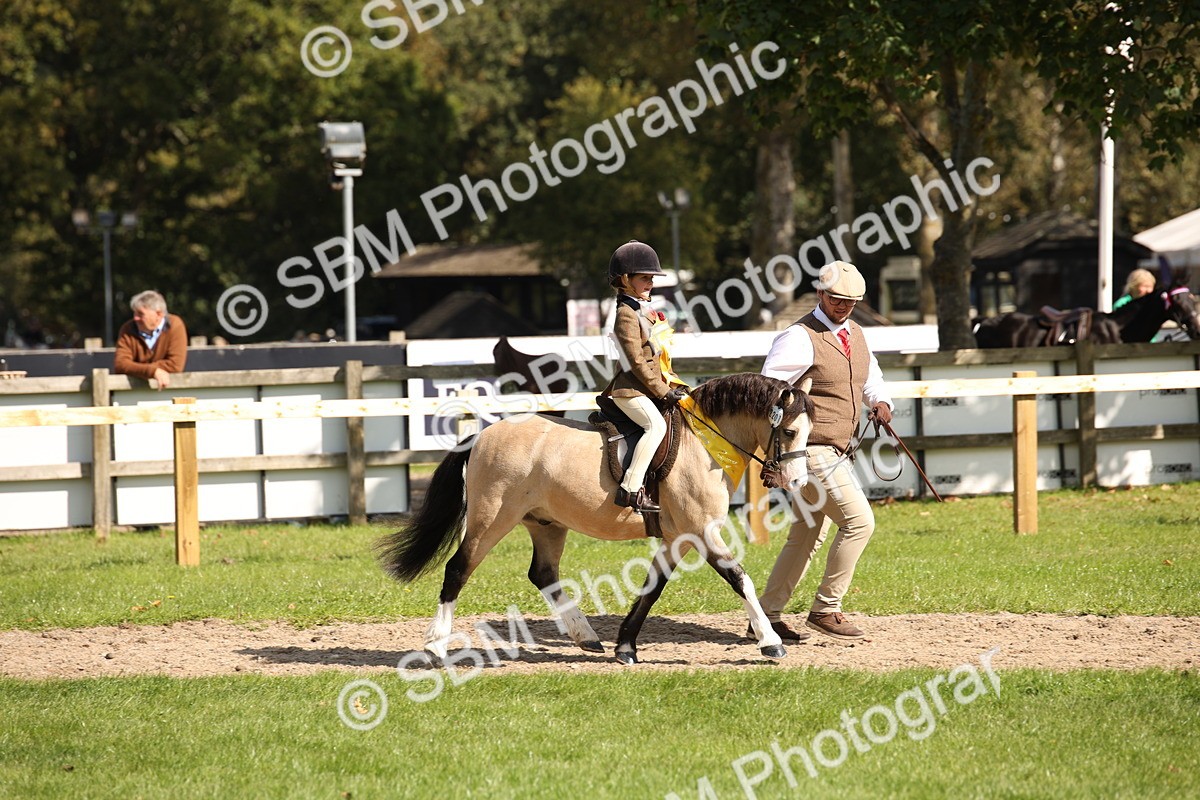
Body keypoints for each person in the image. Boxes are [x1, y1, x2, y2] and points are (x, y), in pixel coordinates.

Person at [755, 260, 894, 642]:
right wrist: (778, 455)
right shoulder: (799, 336)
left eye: (851, 301)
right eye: (836, 299)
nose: (843, 306)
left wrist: (880, 402)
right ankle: (826, 609)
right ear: (820, 294)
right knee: (860, 522)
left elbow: (871, 377)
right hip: (810, 449)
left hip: (837, 448)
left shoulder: (857, 334)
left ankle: (765, 616)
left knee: (808, 530)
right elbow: (770, 391)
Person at [600, 240, 688, 514]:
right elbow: (636, 360)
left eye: (651, 278)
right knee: (656, 427)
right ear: (625, 280)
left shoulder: (641, 310)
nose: (650, 283)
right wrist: (663, 391)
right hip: (630, 391)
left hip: (646, 389)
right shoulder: (626, 314)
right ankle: (630, 489)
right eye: (645, 278)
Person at [113, 290, 188, 389]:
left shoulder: (175, 325)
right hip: (134, 392)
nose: (135, 318)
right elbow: (120, 365)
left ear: (159, 314)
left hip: (169, 390)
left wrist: (137, 368)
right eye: (134, 313)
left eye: (140, 314)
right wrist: (152, 371)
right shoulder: (127, 329)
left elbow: (175, 365)